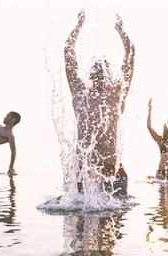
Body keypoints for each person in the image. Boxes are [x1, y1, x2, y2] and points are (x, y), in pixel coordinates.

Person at [64, 10, 135, 196]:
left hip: (112, 167)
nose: (99, 71)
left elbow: (130, 56)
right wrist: (78, 26)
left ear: (109, 75)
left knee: (116, 216)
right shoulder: (80, 94)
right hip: (84, 166)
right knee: (79, 214)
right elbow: (68, 53)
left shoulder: (116, 95)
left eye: (103, 69)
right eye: (96, 68)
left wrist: (121, 31)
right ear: (90, 74)